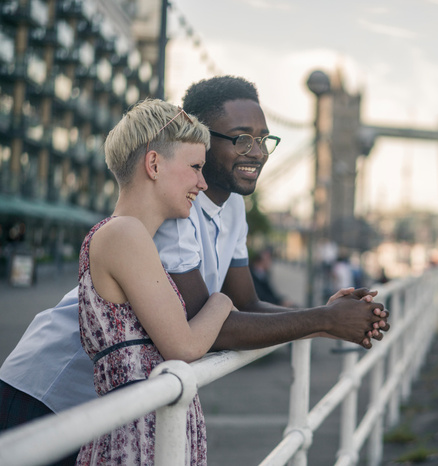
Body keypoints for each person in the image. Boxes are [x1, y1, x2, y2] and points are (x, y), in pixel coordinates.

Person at [0, 75, 388, 464]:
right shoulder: (170, 211)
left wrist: (330, 319)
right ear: (202, 136)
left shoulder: (231, 206)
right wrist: (323, 319)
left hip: (118, 405)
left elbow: (247, 303)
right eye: (241, 138)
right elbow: (201, 329)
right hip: (55, 386)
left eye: (263, 138)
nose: (257, 152)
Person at [75, 99, 232, 464]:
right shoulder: (124, 234)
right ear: (154, 163)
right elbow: (184, 346)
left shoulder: (128, 237)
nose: (203, 183)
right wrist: (221, 302)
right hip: (136, 436)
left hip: (147, 427)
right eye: (195, 167)